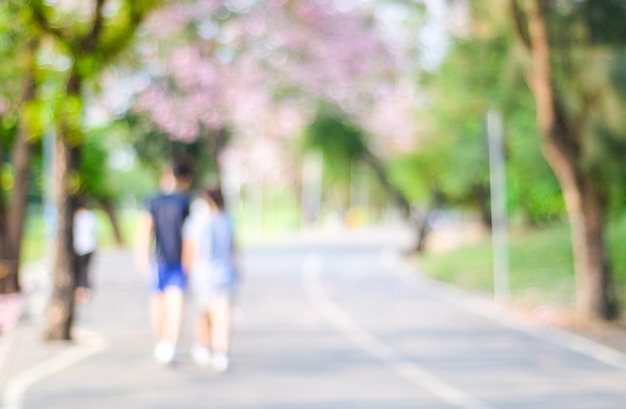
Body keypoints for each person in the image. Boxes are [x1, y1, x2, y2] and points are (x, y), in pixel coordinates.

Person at [136, 161, 193, 366]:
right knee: (175, 306)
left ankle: (162, 343)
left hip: (159, 261)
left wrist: (143, 258)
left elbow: (145, 231)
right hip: (178, 262)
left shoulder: (152, 201)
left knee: (159, 305)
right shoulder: (186, 202)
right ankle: (170, 345)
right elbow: (191, 238)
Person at [182, 186, 239, 372]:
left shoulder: (195, 222)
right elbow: (234, 249)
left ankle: (203, 346)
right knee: (222, 315)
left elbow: (190, 251)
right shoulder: (227, 220)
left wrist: (186, 271)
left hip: (202, 276)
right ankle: (221, 352)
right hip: (225, 275)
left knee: (203, 313)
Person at [73, 197, 98, 303]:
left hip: (78, 247)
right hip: (89, 246)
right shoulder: (90, 216)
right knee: (85, 270)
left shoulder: (74, 216)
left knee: (78, 271)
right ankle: (85, 291)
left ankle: (79, 291)